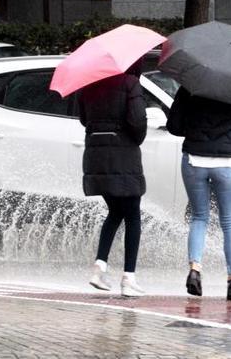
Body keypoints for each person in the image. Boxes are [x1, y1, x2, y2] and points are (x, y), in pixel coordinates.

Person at [167, 87, 231, 301]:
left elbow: (174, 126)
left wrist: (195, 128)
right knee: (229, 221)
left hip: (194, 159)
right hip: (228, 161)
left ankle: (194, 270)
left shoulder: (191, 86)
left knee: (199, 217)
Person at [79, 58, 148, 297]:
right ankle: (129, 277)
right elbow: (137, 121)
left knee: (116, 212)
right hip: (123, 156)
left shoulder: (90, 84)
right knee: (133, 216)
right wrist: (136, 136)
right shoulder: (130, 83)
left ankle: (99, 267)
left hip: (96, 155)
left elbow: (83, 119)